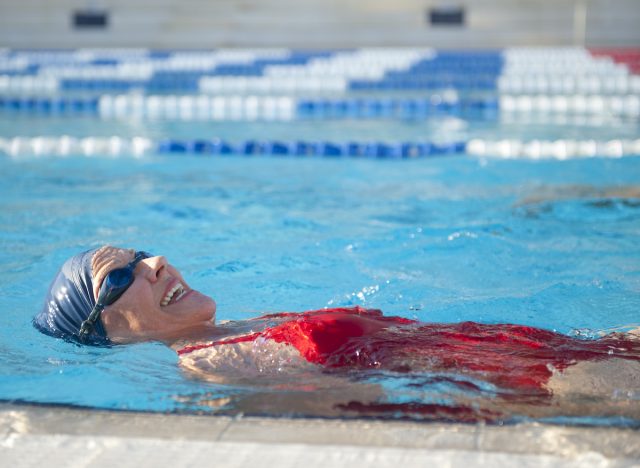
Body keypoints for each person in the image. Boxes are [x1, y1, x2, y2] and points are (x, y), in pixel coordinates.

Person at [34, 246, 640, 421]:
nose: (155, 263)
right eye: (119, 276)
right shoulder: (215, 366)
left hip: (548, 346)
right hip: (542, 379)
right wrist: (539, 399)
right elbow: (384, 408)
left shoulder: (251, 328)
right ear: (107, 330)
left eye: (140, 254)